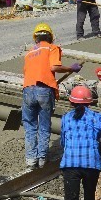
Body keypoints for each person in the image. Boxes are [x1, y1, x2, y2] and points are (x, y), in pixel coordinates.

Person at [22, 23, 67, 169]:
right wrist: (71, 68)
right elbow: (54, 67)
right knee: (44, 125)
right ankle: (42, 159)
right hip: (44, 89)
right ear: (50, 37)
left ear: (36, 38)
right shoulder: (52, 48)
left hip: (28, 89)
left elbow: (27, 72)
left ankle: (30, 160)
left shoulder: (29, 52)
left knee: (30, 126)